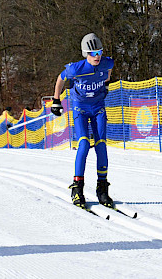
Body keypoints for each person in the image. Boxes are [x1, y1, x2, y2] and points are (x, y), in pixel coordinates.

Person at [52, 33, 114, 209]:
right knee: (84, 144)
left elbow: (107, 74)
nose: (97, 56)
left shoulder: (107, 63)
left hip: (98, 107)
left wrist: (105, 85)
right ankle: (77, 188)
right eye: (92, 53)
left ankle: (102, 188)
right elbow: (60, 79)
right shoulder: (75, 69)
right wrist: (56, 100)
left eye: (99, 52)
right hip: (81, 109)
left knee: (101, 144)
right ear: (85, 54)